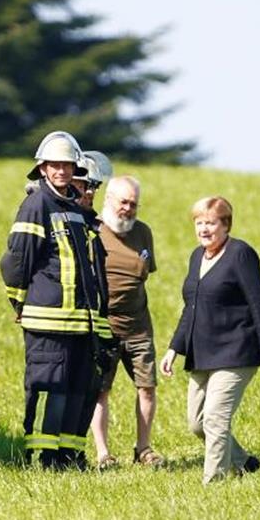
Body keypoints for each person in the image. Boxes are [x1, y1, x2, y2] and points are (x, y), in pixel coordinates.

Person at [0, 131, 112, 470]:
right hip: (48, 321)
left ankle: (69, 454)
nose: (62, 171)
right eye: (55, 165)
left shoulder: (75, 209)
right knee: (49, 387)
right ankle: (43, 458)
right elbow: (17, 261)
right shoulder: (37, 205)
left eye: (67, 165)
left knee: (80, 389)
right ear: (43, 168)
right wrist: (19, 304)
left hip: (80, 322)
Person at [161, 196, 260, 484]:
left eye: (211, 223)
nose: (204, 229)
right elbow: (191, 306)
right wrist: (173, 348)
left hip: (236, 351)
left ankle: (213, 483)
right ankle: (242, 462)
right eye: (199, 222)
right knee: (197, 423)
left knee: (216, 419)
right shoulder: (196, 256)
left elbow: (258, 301)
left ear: (225, 224)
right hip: (203, 352)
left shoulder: (240, 254)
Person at [92, 176, 165, 470]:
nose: (128, 209)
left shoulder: (143, 233)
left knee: (147, 388)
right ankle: (102, 453)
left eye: (134, 204)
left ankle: (143, 448)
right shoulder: (93, 231)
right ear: (109, 200)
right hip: (103, 326)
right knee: (100, 390)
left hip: (139, 326)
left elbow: (147, 272)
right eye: (123, 202)